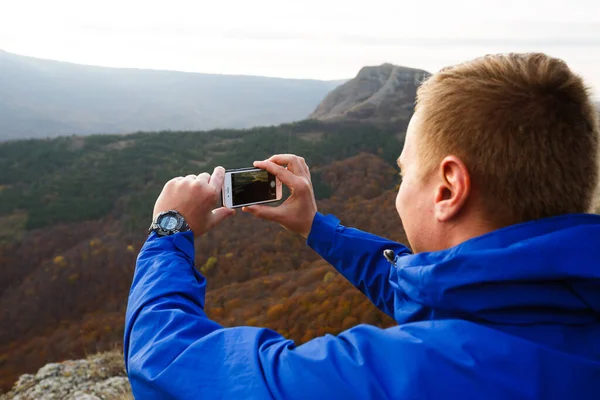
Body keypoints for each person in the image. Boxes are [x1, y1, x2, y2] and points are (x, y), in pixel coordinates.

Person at [124, 53, 600, 399]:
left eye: (404, 172)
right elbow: (439, 291)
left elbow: (169, 367)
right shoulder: (558, 305)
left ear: (448, 190)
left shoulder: (404, 377)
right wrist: (316, 227)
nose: (399, 186)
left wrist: (169, 232)